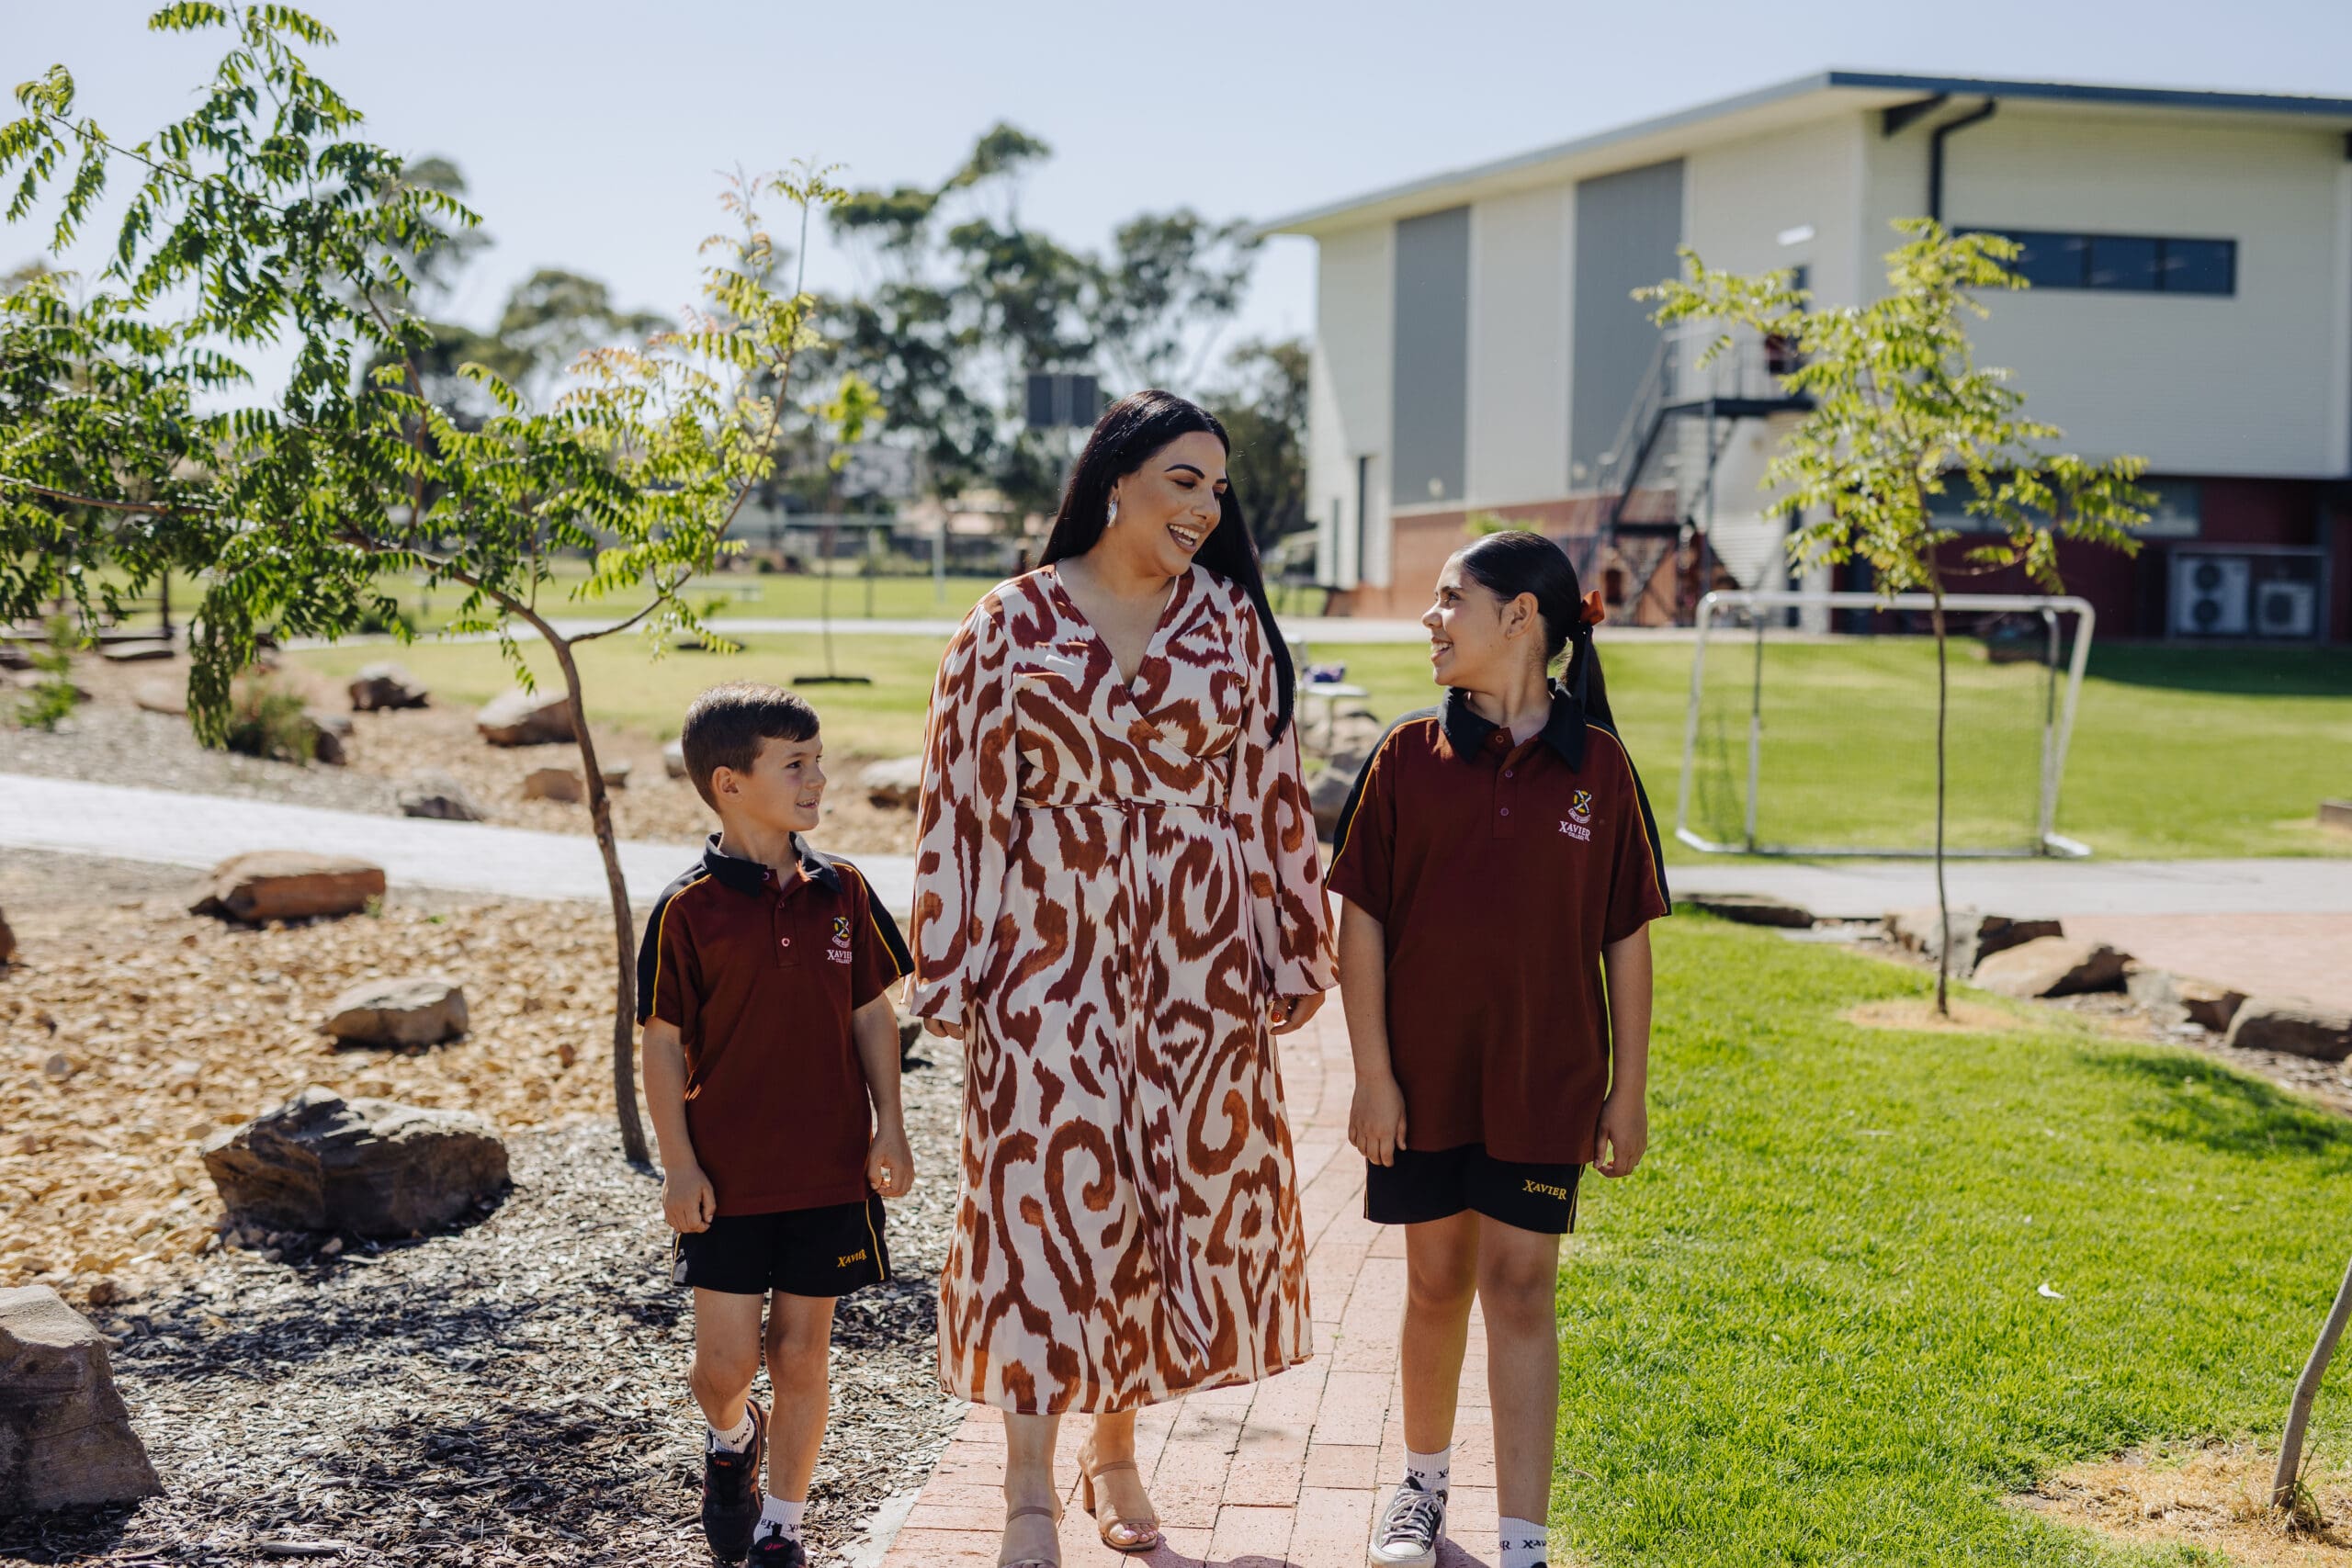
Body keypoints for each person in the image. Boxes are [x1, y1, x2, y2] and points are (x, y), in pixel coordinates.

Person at [910, 390, 1337, 1567]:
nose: (1205, 505)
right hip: (1048, 959)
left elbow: (1267, 795)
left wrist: (1294, 939)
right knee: (1042, 1207)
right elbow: (961, 808)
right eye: (1183, 479)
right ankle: (1028, 1490)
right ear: (1116, 480)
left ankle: (1115, 1450)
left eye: (1217, 487)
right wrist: (949, 971)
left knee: (1160, 1200)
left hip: (1197, 963)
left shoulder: (1229, 628)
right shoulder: (1006, 625)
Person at [1327, 531, 1668, 1568]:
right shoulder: (1402, 758)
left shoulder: (1600, 769)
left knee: (1520, 1291)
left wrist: (1628, 1092)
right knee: (1435, 1285)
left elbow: (1627, 937)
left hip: (1544, 1084)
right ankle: (1420, 1489)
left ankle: (1524, 1540)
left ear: (1521, 616)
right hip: (1423, 1084)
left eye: (1447, 600)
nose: (1429, 619)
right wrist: (1374, 1076)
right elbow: (1362, 925)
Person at [638, 682, 917, 1568]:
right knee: (724, 1367)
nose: (817, 778)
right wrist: (679, 1168)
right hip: (727, 1179)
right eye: (794, 764)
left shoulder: (844, 889)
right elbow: (661, 1047)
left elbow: (873, 1013)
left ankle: (782, 1527)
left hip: (829, 1170)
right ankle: (730, 1441)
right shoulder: (688, 910)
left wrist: (891, 1126)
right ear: (730, 782)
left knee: (801, 1353)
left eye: (817, 760)